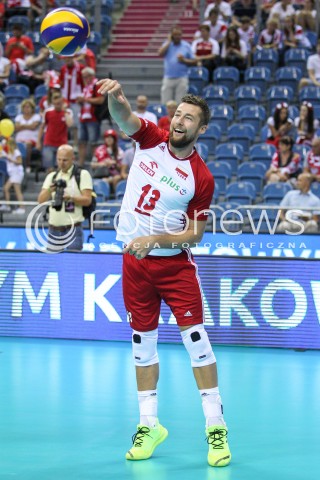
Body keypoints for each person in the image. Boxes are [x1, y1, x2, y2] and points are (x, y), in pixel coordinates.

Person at [96, 76, 231, 467]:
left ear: (200, 129)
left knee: (196, 341)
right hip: (134, 264)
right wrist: (117, 98)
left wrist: (154, 240)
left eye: (189, 119)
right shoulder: (151, 139)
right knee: (142, 345)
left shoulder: (201, 177)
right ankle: (149, 424)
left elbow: (195, 234)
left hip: (173, 267)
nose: (179, 121)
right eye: (178, 114)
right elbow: (125, 119)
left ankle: (215, 428)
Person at [37, 144, 93, 252]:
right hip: (53, 230)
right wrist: (50, 190)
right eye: (59, 159)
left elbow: (87, 200)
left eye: (65, 160)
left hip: (73, 230)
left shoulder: (82, 174)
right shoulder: (52, 176)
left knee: (73, 265)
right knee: (53, 265)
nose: (61, 163)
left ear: (73, 158)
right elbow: (40, 200)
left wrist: (71, 197)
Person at [37, 90, 74, 171]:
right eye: (56, 103)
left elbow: (70, 124)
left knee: (61, 168)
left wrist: (64, 112)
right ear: (53, 102)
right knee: (49, 168)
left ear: (62, 102)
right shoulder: (48, 112)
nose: (58, 105)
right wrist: (38, 141)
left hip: (62, 143)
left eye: (59, 103)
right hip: (49, 142)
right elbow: (42, 127)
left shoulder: (68, 112)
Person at [76, 67, 104, 166]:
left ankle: (94, 163)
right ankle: (80, 163)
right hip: (83, 117)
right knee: (81, 141)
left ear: (92, 76)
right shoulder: (86, 87)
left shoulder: (96, 85)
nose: (85, 79)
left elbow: (100, 100)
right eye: (83, 77)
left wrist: (85, 100)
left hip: (93, 117)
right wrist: (81, 101)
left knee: (93, 142)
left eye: (86, 76)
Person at [158, 26, 194, 105]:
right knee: (165, 103)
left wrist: (184, 60)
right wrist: (168, 41)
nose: (177, 37)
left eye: (179, 35)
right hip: (168, 77)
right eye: (175, 35)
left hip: (182, 77)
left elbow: (194, 61)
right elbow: (160, 53)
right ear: (171, 35)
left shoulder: (186, 45)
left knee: (180, 103)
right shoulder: (167, 44)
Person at [14, 98, 41, 172]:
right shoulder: (19, 117)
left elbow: (33, 127)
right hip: (19, 139)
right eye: (24, 107)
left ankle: (27, 165)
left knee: (27, 144)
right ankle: (16, 165)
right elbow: (16, 128)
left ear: (32, 108)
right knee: (14, 144)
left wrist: (22, 126)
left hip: (31, 140)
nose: (26, 109)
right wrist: (28, 126)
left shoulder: (36, 116)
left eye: (28, 107)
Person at [0, 137, 25, 214]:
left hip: (17, 173)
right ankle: (7, 206)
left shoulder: (16, 152)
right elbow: (1, 154)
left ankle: (22, 208)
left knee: (17, 191)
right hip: (13, 174)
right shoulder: (9, 152)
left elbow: (20, 162)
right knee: (6, 188)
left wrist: (11, 160)